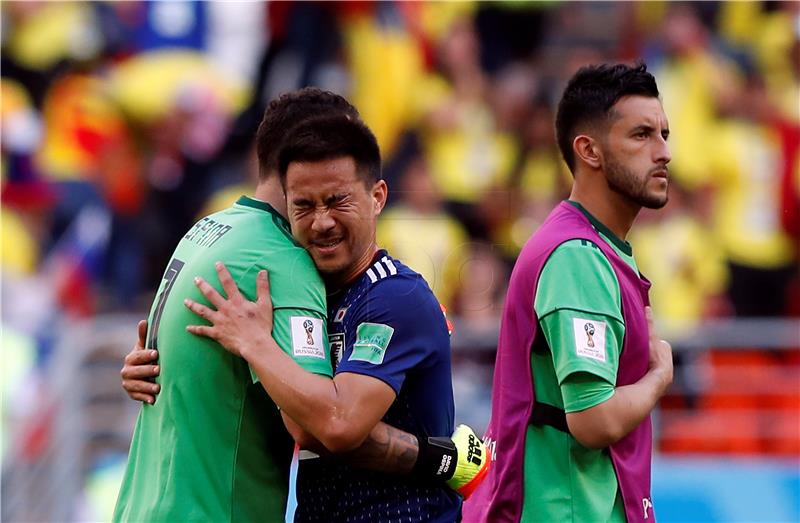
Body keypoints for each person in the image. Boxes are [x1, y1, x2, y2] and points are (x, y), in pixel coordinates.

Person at [115, 88, 486, 523]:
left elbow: (329, 424)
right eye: (305, 204)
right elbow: (318, 424)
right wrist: (441, 458)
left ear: (377, 196)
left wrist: (250, 346)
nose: (322, 219)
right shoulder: (282, 260)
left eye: (337, 199)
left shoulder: (214, 229)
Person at [462, 63, 674, 523]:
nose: (663, 152)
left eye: (663, 134)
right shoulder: (577, 257)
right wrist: (658, 377)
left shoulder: (596, 247)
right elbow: (593, 419)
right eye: (641, 135)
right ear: (589, 150)